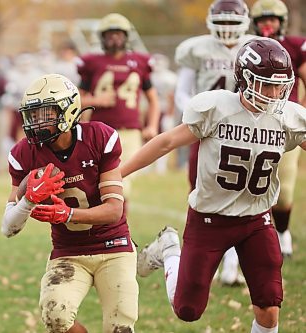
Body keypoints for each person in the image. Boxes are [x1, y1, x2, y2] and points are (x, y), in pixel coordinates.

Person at [120, 37, 304, 333]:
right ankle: (169, 251)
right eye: (265, 84)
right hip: (209, 219)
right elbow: (166, 142)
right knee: (188, 310)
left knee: (269, 305)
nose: (274, 93)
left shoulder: (288, 118)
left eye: (279, 85)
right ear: (244, 79)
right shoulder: (217, 108)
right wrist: (119, 173)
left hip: (257, 219)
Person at [2, 74, 138, 333]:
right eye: (33, 115)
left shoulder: (100, 137)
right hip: (69, 252)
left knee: (120, 327)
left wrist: (67, 214)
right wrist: (27, 198)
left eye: (45, 114)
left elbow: (113, 210)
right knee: (55, 316)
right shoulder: (24, 153)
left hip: (113, 246)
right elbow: (8, 228)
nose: (36, 122)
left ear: (68, 110)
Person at [174, 0, 254, 285]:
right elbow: (181, 93)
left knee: (242, 192)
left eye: (234, 22)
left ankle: (233, 262)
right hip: (206, 130)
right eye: (223, 22)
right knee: (200, 192)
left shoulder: (256, 46)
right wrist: (202, 116)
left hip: (245, 130)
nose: (228, 28)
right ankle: (204, 256)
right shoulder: (196, 48)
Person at [77, 13, 160, 194]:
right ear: (102, 37)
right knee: (97, 179)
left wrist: (152, 126)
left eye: (119, 34)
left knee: (121, 181)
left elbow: (153, 99)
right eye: (110, 34)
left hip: (130, 130)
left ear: (126, 36)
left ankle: (116, 220)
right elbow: (76, 98)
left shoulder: (139, 61)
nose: (114, 38)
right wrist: (96, 101)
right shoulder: (91, 62)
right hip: (98, 130)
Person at [250, 0, 306, 257]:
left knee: (284, 192)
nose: (267, 24)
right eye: (263, 20)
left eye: (272, 19)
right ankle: (252, 237)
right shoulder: (249, 45)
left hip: (286, 122)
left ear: (282, 22)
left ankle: (283, 233)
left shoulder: (294, 45)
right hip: (254, 121)